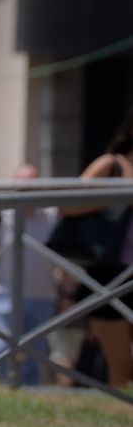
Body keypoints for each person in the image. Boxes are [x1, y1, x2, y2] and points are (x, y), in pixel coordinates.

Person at [59, 121, 133, 388]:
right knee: (121, 366)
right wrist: (114, 198)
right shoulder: (110, 164)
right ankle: (119, 424)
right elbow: (67, 205)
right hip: (110, 274)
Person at [0, 164, 59, 386]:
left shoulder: (51, 215)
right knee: (1, 347)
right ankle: (6, 387)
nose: (26, 194)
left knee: (35, 353)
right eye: (22, 188)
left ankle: (29, 394)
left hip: (42, 294)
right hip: (6, 292)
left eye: (31, 188)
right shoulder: (0, 215)